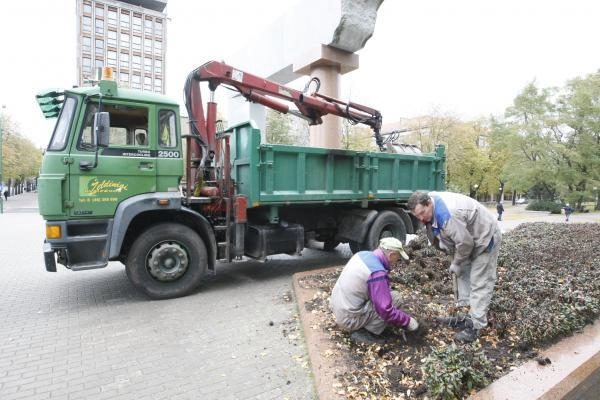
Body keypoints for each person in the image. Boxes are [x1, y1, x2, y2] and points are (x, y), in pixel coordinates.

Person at [407, 191, 502, 342]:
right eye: (417, 215)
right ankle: (466, 315)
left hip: (484, 238)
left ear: (429, 203)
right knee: (462, 276)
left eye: (422, 213)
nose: (421, 218)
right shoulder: (430, 207)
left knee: (480, 282)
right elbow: (450, 238)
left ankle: (476, 326)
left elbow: (465, 243)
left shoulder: (448, 213)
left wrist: (457, 262)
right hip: (465, 239)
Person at [329, 237, 419, 344]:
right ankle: (366, 333)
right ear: (391, 255)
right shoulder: (377, 273)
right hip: (349, 319)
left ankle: (366, 325)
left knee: (387, 296)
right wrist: (407, 322)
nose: (397, 262)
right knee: (395, 298)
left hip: (339, 307)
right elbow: (385, 310)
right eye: (398, 257)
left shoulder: (362, 255)